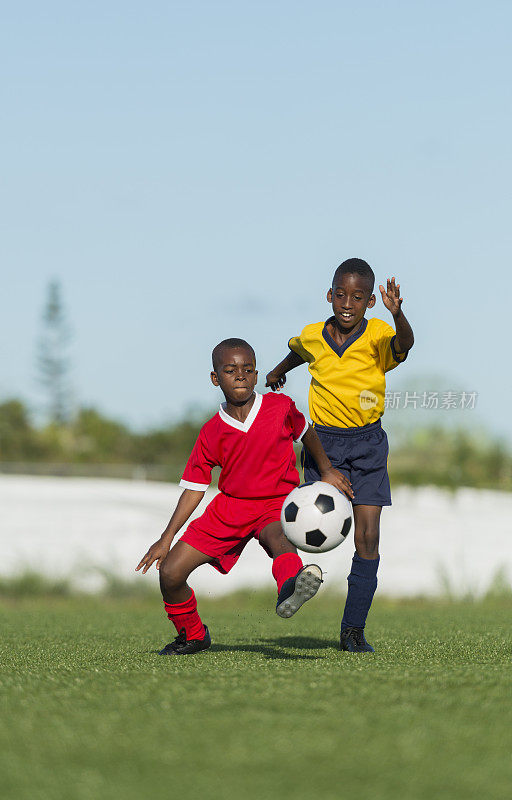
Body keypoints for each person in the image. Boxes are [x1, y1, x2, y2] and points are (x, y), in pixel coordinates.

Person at [136, 337, 352, 656]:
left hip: (276, 505)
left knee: (280, 540)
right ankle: (193, 634)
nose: (239, 375)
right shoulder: (211, 431)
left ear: (255, 376)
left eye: (247, 369)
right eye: (230, 369)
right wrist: (166, 538)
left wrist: (327, 469)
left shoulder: (280, 408)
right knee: (170, 572)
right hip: (229, 509)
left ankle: (290, 588)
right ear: (215, 378)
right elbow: (195, 487)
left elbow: (305, 430)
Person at [266, 258, 414, 652]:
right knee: (299, 525)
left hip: (367, 445)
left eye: (359, 296)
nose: (348, 302)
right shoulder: (314, 335)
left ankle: (353, 631)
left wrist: (399, 315)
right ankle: (292, 587)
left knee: (367, 538)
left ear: (369, 302)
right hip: (323, 444)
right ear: (329, 296)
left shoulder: (380, 333)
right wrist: (279, 371)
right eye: (342, 294)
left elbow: (404, 346)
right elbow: (300, 351)